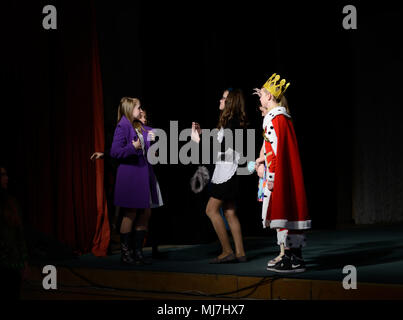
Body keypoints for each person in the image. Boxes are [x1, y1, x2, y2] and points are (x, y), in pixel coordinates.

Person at [253, 73, 311, 273]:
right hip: (289, 174)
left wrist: (271, 177)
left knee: (283, 211)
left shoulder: (273, 119)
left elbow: (274, 151)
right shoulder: (283, 118)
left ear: (269, 97)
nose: (259, 99)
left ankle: (288, 257)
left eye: (261, 95)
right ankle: (296, 257)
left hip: (280, 175)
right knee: (292, 212)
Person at [192, 88, 248, 263]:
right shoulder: (231, 122)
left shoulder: (231, 123)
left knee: (211, 210)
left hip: (227, 173)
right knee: (230, 212)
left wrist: (199, 142)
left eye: (223, 98)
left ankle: (227, 250)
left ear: (230, 102)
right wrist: (202, 135)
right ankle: (240, 253)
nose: (220, 100)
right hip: (229, 171)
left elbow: (222, 149)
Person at [109, 97, 163, 265]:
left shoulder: (142, 128)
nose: (141, 110)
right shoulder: (122, 126)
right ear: (130, 109)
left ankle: (138, 252)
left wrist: (153, 146)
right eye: (138, 108)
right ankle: (126, 254)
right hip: (131, 176)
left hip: (144, 175)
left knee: (145, 213)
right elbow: (115, 152)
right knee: (130, 213)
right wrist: (133, 148)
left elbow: (150, 152)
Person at [0, 165, 29, 299]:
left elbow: (19, 234)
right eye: (2, 175)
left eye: (6, 174)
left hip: (13, 265)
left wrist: (23, 261)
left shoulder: (12, 203)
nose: (6, 178)